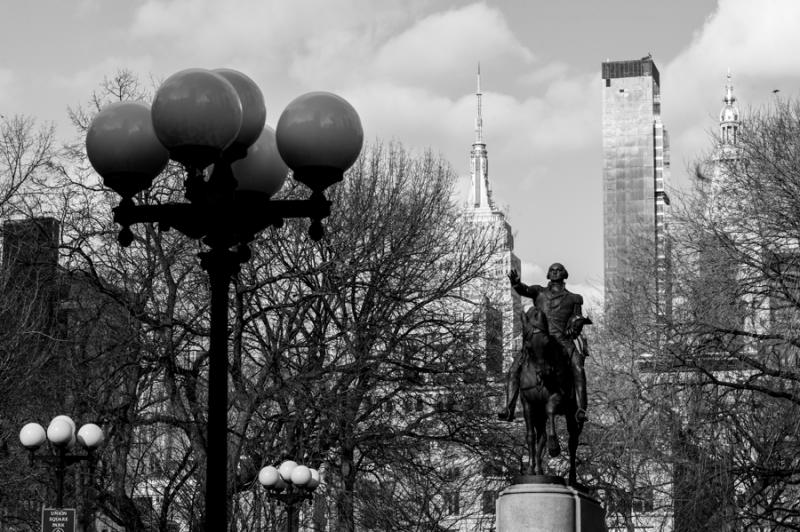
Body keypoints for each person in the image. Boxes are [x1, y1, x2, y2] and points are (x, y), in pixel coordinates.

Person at [498, 263, 591, 423]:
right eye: (552, 270)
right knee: (514, 369)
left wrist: (575, 327)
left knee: (578, 367)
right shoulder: (538, 292)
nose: (555, 272)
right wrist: (515, 283)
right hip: (539, 341)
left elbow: (577, 319)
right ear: (548, 274)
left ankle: (581, 409)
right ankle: (509, 408)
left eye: (558, 270)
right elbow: (523, 290)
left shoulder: (574, 298)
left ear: (565, 274)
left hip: (562, 341)